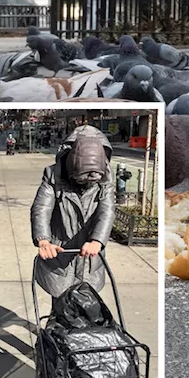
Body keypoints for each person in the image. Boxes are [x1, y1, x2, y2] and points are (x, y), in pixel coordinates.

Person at [30, 125, 115, 311]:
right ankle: (57, 336)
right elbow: (41, 207)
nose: (86, 185)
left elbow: (107, 211)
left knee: (88, 308)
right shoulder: (53, 175)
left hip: (90, 255)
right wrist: (43, 240)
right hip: (61, 252)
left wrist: (97, 241)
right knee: (60, 307)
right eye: (81, 180)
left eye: (91, 181)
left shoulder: (106, 179)